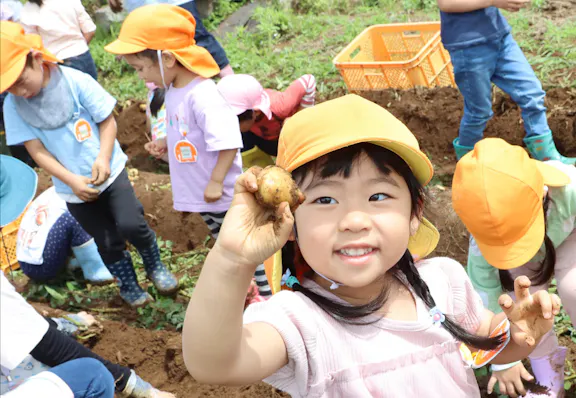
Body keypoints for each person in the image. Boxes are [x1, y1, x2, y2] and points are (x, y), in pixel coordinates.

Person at [181, 94, 561, 397]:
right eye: (326, 200)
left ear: (415, 213)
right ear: (290, 221)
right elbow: (215, 364)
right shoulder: (298, 323)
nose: (355, 220)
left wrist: (517, 335)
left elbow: (480, 345)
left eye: (378, 196)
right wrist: (231, 259)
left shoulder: (444, 282)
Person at [1, 22, 178, 307]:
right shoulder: (13, 106)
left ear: (35, 58)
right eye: (10, 87)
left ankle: (156, 268)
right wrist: (70, 180)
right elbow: (36, 150)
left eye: (22, 81)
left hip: (111, 171)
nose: (20, 92)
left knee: (132, 224)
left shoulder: (73, 81)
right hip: (74, 189)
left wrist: (102, 158)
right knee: (106, 241)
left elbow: (107, 120)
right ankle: (129, 286)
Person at [105, 4, 272, 298]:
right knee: (226, 244)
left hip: (219, 195)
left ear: (167, 58)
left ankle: (266, 298)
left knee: (241, 247)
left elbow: (229, 141)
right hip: (201, 194)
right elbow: (184, 130)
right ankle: (247, 291)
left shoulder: (203, 94)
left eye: (141, 67)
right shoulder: (173, 90)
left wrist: (217, 181)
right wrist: (165, 143)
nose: (142, 76)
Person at [0, 155, 172, 398]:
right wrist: (135, 385)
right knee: (91, 374)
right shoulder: (75, 206)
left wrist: (67, 323)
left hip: (33, 264)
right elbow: (49, 347)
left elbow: (17, 323)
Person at [452, 137, 575, 397]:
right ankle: (548, 377)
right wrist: (504, 358)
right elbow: (489, 304)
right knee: (526, 315)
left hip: (569, 233)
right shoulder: (482, 246)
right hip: (529, 262)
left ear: (542, 192)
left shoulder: (569, 190)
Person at [437, 0, 575, 164]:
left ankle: (548, 158)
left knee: (532, 94)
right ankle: (467, 164)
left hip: (499, 37)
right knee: (478, 111)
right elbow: (446, 3)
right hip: (468, 47)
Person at [108, 0, 234, 78]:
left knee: (196, 37)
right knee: (151, 48)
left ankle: (230, 81)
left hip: (174, 2)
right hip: (140, 5)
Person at [17, 185, 115, 285]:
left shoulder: (60, 188)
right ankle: (97, 272)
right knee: (79, 216)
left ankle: (73, 263)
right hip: (42, 266)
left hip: (25, 262)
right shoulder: (81, 194)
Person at [217, 73, 316, 169]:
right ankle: (266, 173)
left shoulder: (280, 106)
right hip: (262, 138)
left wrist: (297, 118)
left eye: (233, 123)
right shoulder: (239, 117)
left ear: (256, 112)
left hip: (286, 141)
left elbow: (308, 81)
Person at [19, 0, 99, 80]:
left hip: (58, 64)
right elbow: (90, 30)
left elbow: (34, 47)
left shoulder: (28, 11)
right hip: (84, 56)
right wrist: (78, 47)